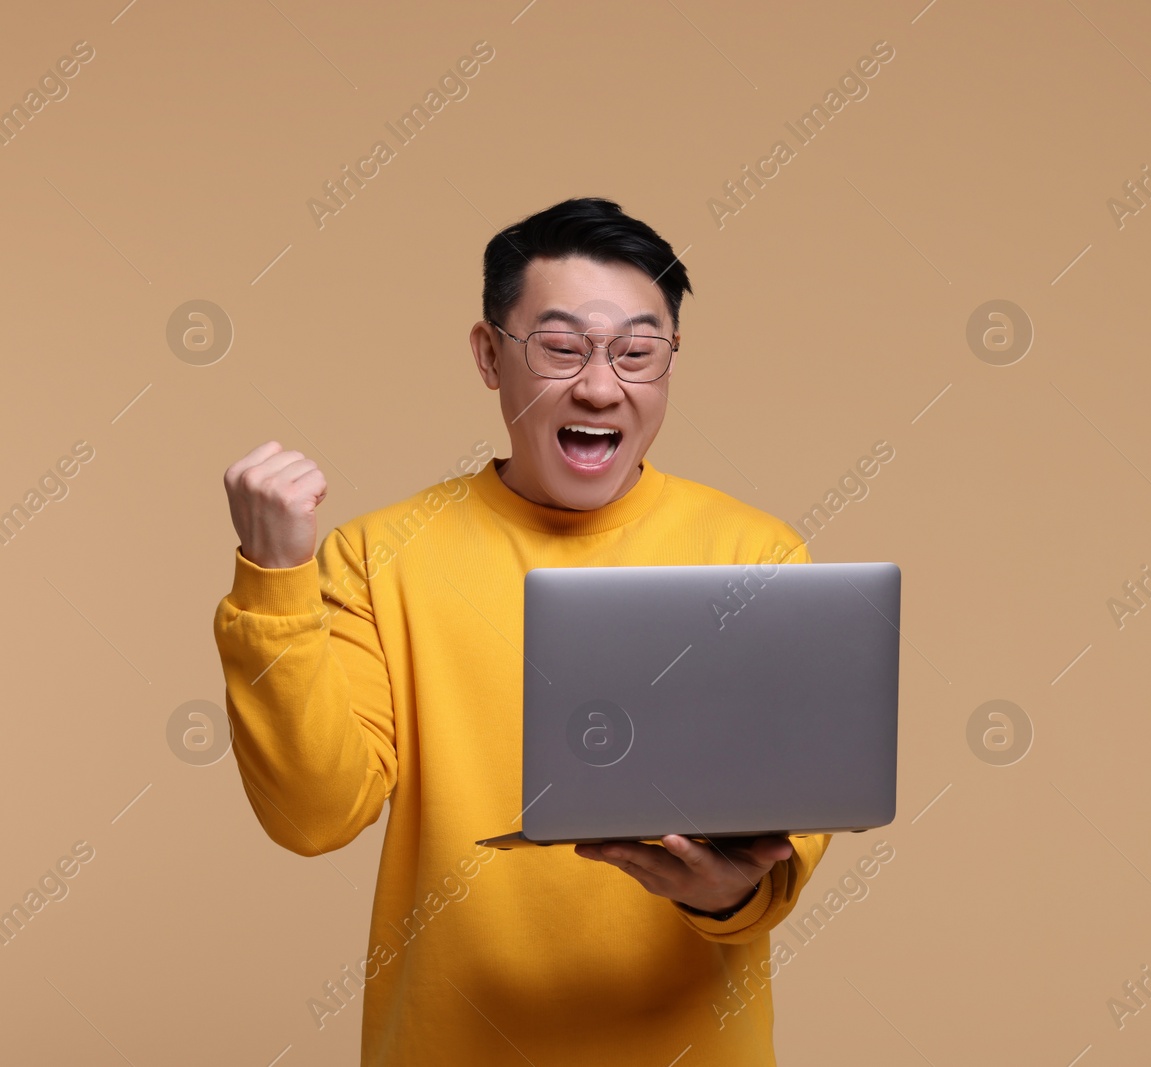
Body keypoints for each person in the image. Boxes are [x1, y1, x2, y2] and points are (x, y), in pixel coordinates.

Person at [212, 197, 828, 1065]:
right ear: (488, 355)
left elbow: (787, 836)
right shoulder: (379, 555)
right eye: (563, 346)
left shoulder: (753, 553)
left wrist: (728, 892)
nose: (600, 384)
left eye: (638, 352)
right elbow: (313, 814)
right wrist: (274, 577)